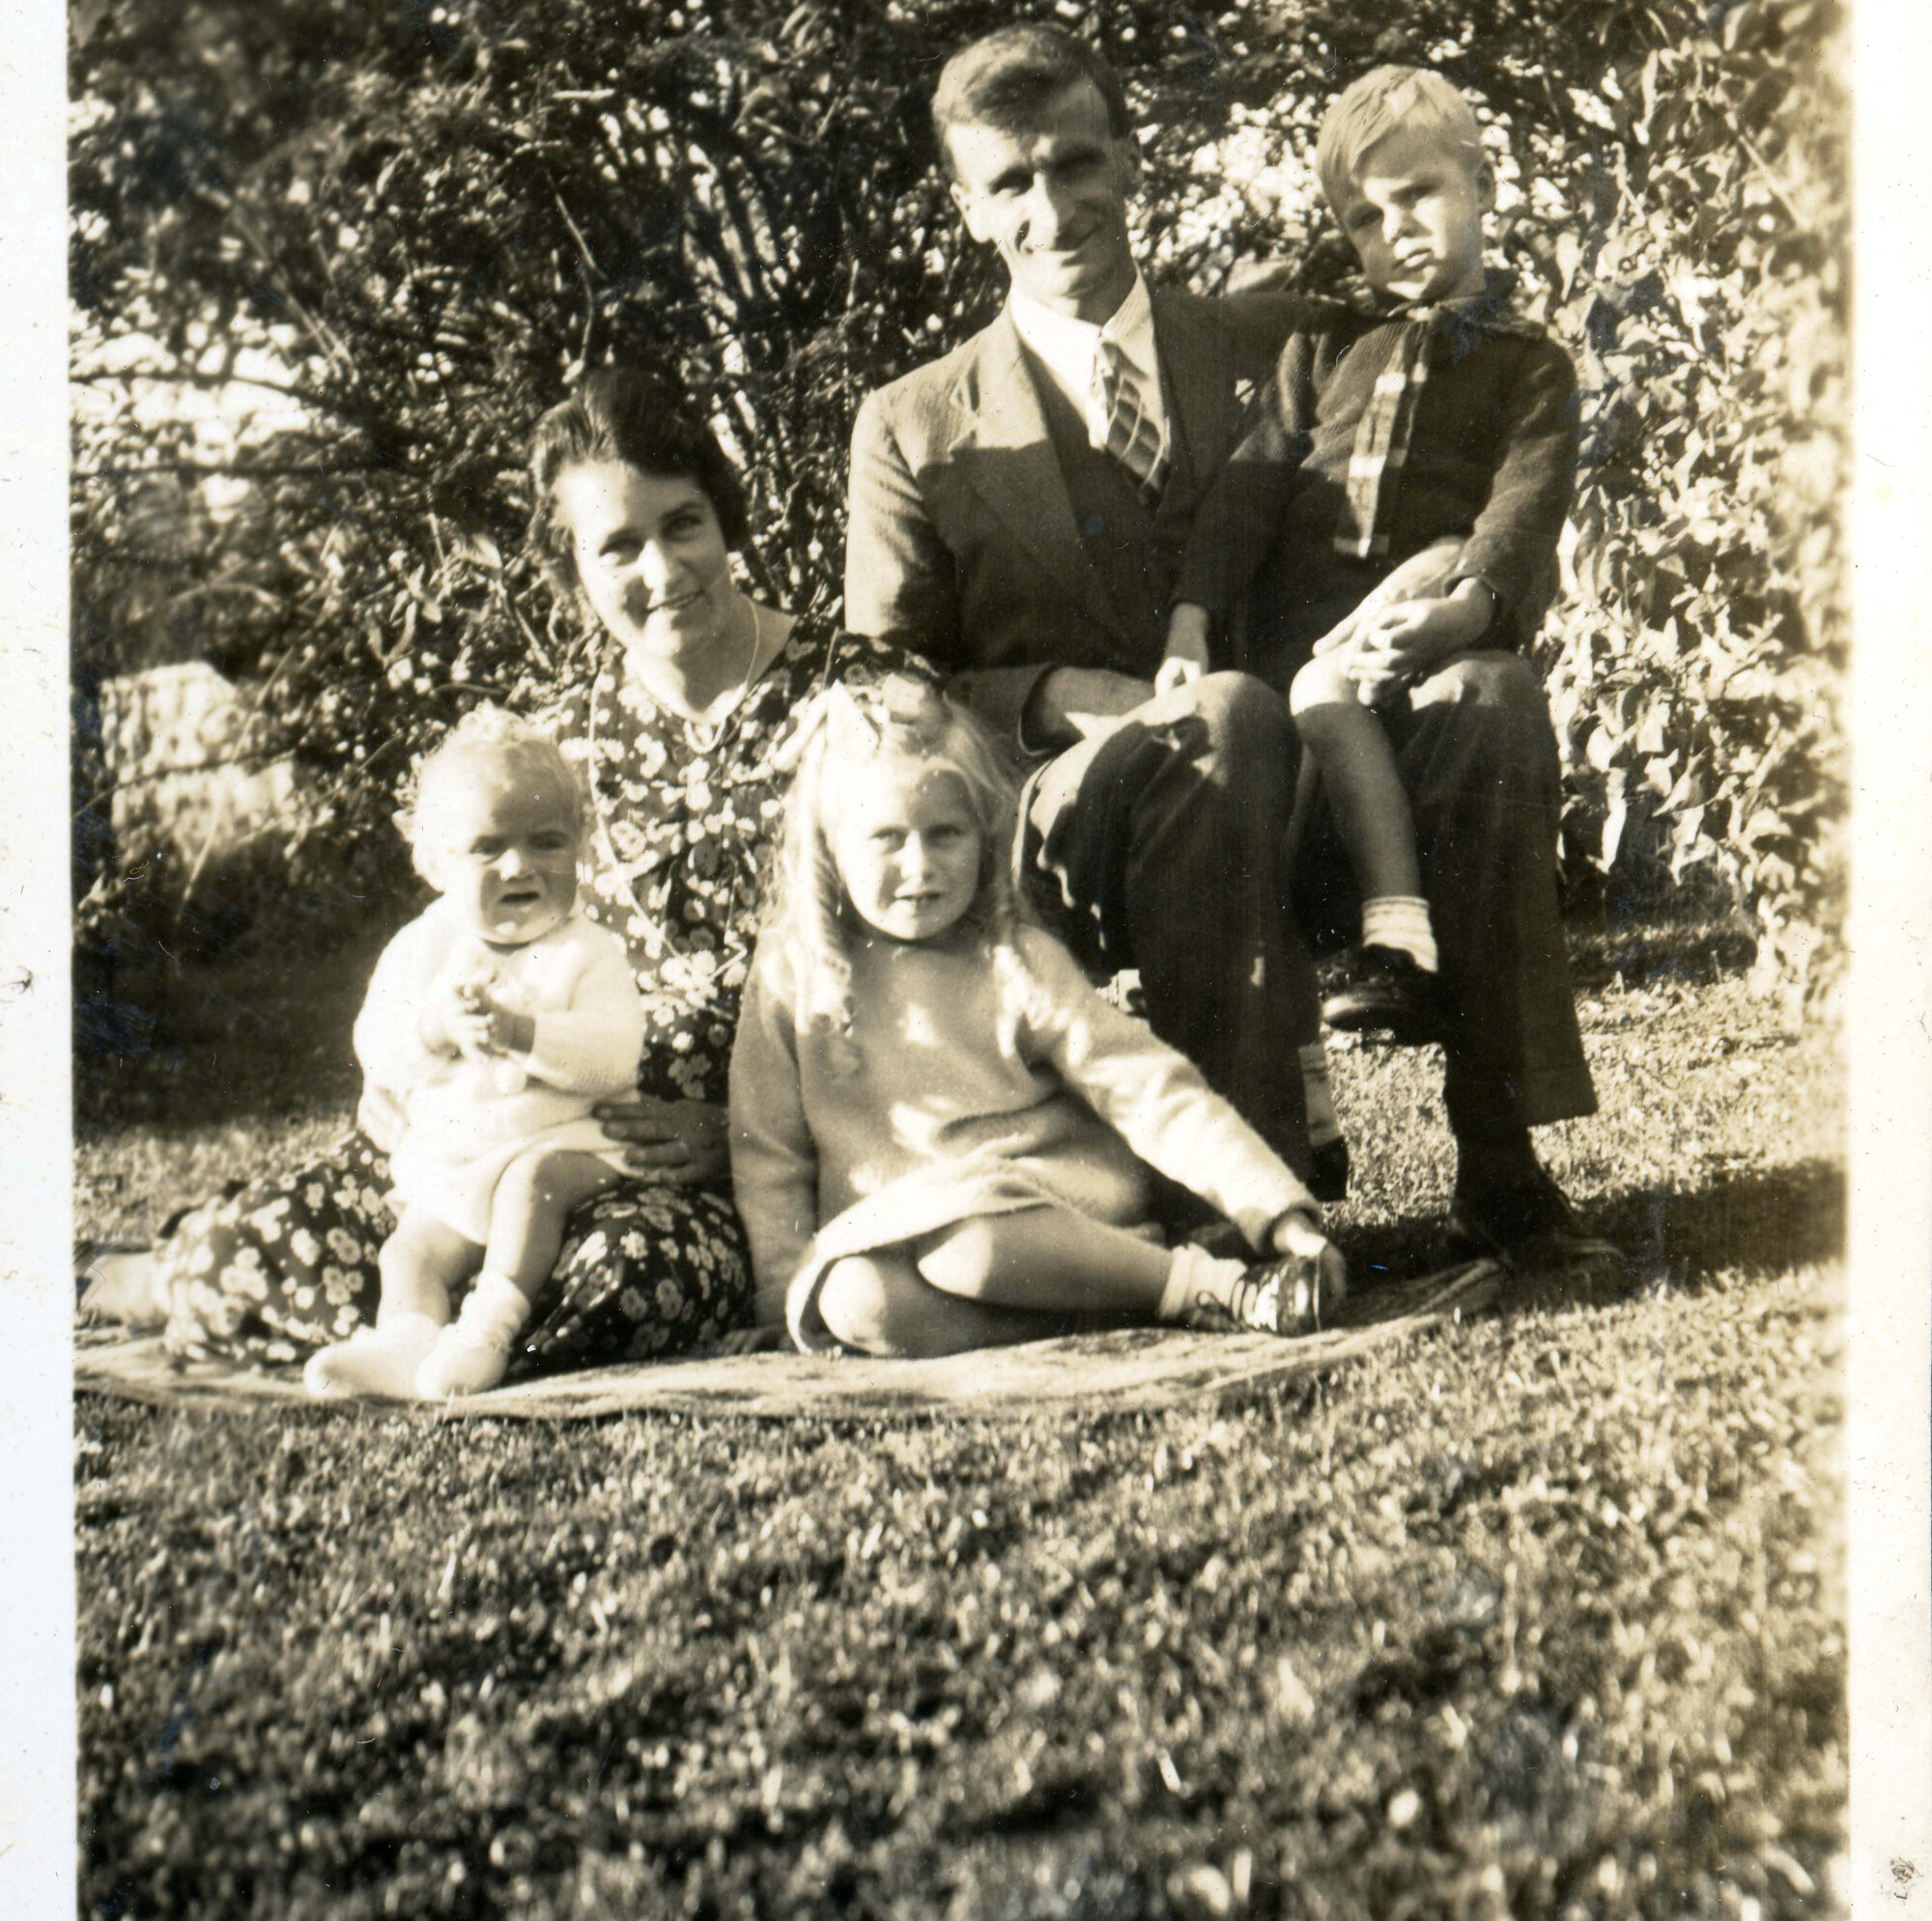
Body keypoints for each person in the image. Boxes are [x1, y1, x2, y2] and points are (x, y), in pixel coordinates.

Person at [843, 22, 1605, 1269]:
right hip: (1073, 822)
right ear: (967, 206)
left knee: (1488, 695)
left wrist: (1454, 595)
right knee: (1224, 718)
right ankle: (1245, 1207)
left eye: (1079, 162)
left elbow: (1454, 472)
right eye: (1012, 183)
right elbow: (889, 696)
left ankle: (1503, 1167)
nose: (1056, 205)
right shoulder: (915, 426)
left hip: (1315, 772)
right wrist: (1059, 694)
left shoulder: (1284, 340)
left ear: (1132, 161)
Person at [86, 365, 841, 1373]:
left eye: (682, 523)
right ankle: (346, 1311)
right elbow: (455, 933)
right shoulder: (550, 741)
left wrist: (750, 1132)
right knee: (241, 1256)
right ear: (574, 575)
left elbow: (912, 966)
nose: (660, 569)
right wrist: (402, 1062)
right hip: (490, 1131)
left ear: (726, 518)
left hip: (708, 1170)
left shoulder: (851, 699)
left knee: (619, 1285)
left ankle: (445, 1336)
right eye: (616, 545)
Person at [727, 674, 1346, 1356]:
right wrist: (781, 1295)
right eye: (886, 838)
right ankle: (1108, 1316)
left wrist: (1275, 1209)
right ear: (829, 846)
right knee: (851, 1300)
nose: (919, 866)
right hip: (893, 1233)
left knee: (969, 1246)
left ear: (983, 834)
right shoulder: (796, 971)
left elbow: (1149, 1090)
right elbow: (769, 1150)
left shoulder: (1010, 958)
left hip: (1048, 1215)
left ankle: (1202, 1285)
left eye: (945, 834)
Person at [1164, 65, 1582, 1056]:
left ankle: (1394, 941)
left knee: (1402, 695)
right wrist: (1190, 612)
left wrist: (1466, 605)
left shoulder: (1526, 360)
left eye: (1417, 195)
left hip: (1423, 635)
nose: (1392, 229)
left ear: (1480, 185)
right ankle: (1340, 992)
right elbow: (1250, 484)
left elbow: (1523, 501)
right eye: (1363, 215)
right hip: (1298, 643)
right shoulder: (1320, 344)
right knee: (1302, 696)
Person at [303, 710, 647, 1400]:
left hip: (569, 1142)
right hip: (462, 1156)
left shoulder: (588, 952)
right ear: (434, 863)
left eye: (546, 842)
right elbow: (377, 1043)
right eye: (487, 848)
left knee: (531, 1188)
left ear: (581, 846)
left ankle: (488, 1329)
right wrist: (432, 1031)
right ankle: (406, 1342)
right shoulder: (423, 948)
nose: (519, 866)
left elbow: (612, 1056)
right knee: (410, 1248)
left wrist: (523, 1033)